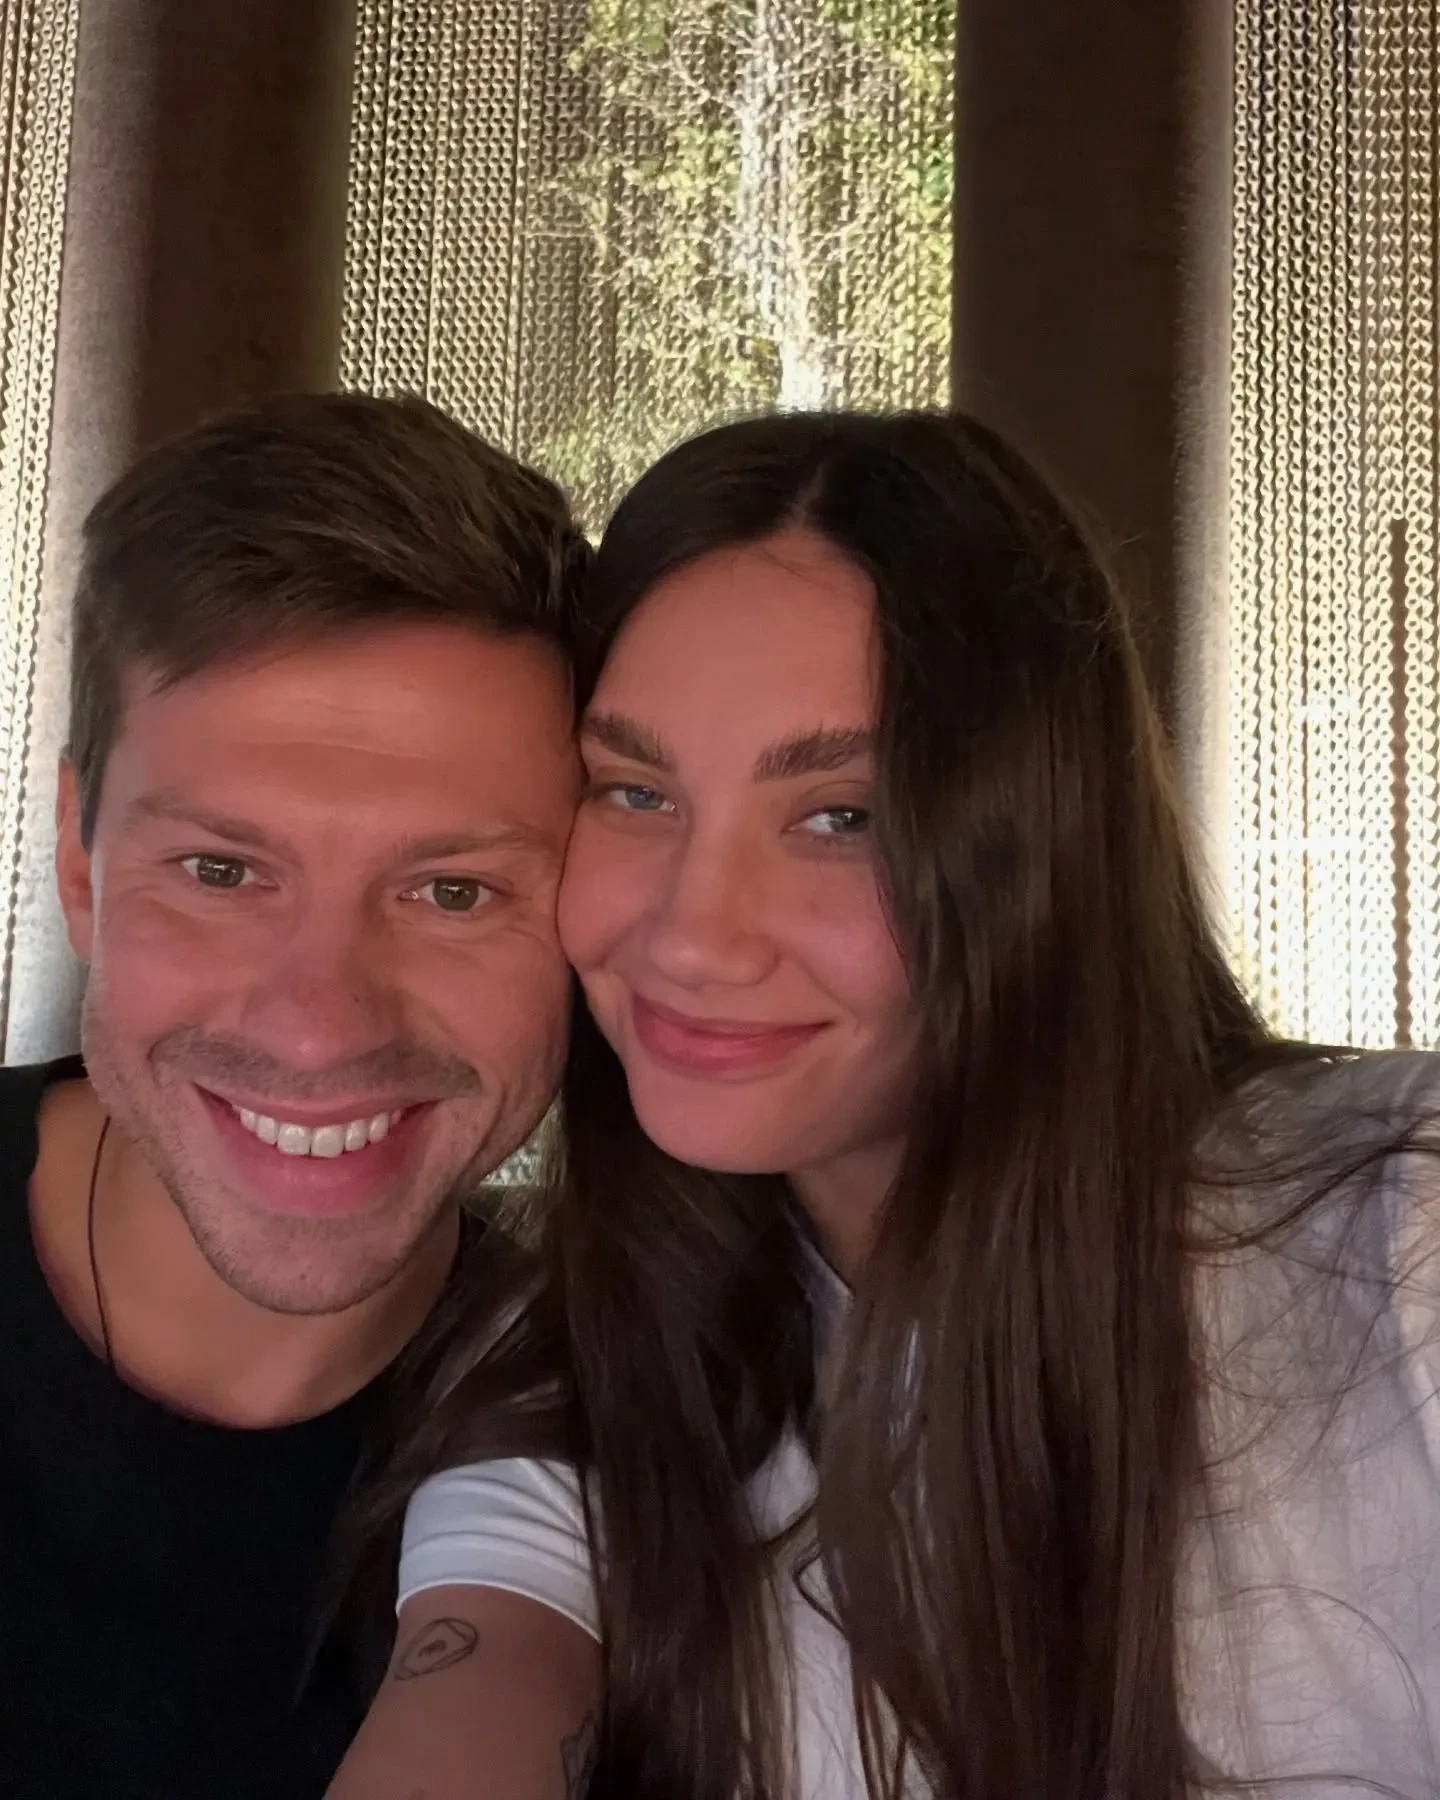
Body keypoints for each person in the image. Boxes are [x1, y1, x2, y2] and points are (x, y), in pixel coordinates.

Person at [330, 410, 1440, 1800]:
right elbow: (488, 1670)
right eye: (634, 791)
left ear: (1038, 843)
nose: (693, 937)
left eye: (842, 816)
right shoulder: (590, 1347)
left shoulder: (1394, 1228)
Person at [0, 391, 601, 1799]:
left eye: (455, 891)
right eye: (221, 871)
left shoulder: (628, 1418)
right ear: (82, 867)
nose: (322, 1027)